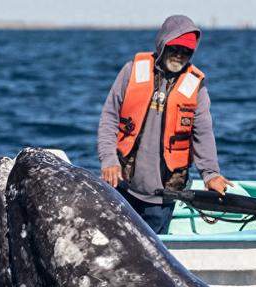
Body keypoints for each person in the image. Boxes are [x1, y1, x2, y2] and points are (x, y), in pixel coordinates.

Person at [98, 15, 232, 234]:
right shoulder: (131, 71)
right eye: (175, 47)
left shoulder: (196, 87)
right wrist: (108, 160)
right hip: (122, 187)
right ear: (162, 44)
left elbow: (203, 135)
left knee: (152, 255)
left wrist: (211, 174)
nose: (180, 54)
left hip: (162, 197)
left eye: (186, 51)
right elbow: (109, 117)